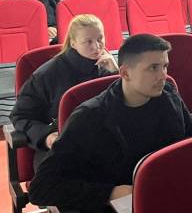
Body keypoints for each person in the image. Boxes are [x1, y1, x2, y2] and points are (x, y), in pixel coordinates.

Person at [28, 33, 192, 213]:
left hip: (164, 202)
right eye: (153, 68)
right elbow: (42, 187)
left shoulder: (169, 98)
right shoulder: (89, 117)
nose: (163, 75)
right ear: (125, 72)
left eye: (165, 66)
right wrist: (109, 193)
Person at [10, 15, 118, 169]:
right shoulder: (47, 74)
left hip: (104, 143)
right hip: (63, 146)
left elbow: (124, 108)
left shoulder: (108, 67)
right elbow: (20, 115)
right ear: (73, 43)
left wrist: (116, 75)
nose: (97, 47)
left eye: (100, 39)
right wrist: (46, 136)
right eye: (88, 41)